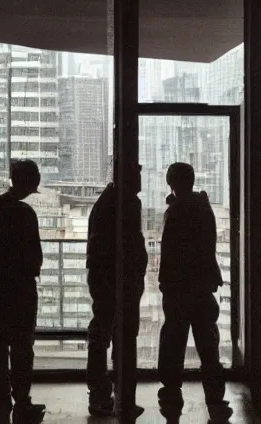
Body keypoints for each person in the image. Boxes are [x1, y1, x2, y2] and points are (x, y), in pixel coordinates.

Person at [157, 163, 232, 422]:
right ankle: (215, 396)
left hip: (179, 287)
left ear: (171, 182)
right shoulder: (203, 208)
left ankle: (171, 393)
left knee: (174, 341)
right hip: (201, 287)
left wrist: (164, 282)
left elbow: (169, 251)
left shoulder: (177, 210)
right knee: (208, 344)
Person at [0, 160, 46, 424]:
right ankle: (22, 400)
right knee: (22, 348)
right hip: (21, 290)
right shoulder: (25, 214)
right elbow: (35, 258)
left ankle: (1, 400)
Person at [85, 164, 147, 419]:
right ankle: (108, 395)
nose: (141, 179)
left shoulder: (108, 201)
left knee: (104, 333)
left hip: (107, 280)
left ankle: (105, 394)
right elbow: (130, 246)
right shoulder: (124, 203)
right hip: (116, 282)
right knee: (112, 335)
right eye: (138, 174)